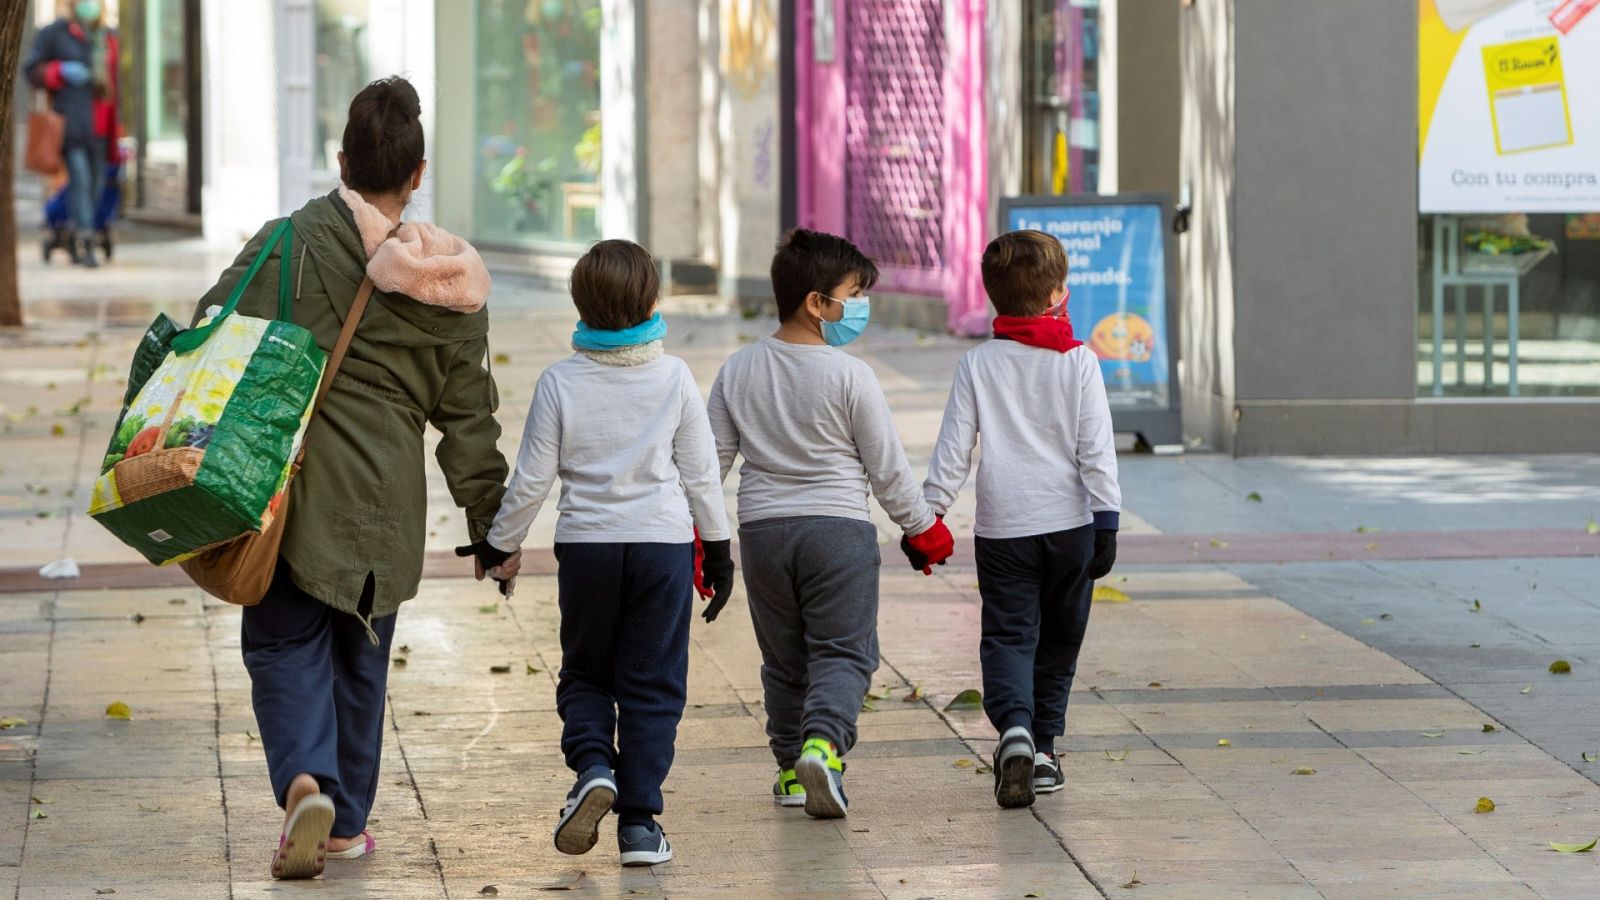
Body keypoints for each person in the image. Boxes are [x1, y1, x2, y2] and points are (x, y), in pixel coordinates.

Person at [191, 77, 512, 879]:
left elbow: (211, 331)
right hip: (386, 507)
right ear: (417, 173)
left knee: (283, 644)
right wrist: (490, 526)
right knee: (361, 658)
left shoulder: (291, 241)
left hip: (291, 497)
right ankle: (345, 825)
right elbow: (468, 416)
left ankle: (305, 780)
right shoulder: (452, 284)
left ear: (342, 161)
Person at [462, 240, 734, 867]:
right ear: (651, 301)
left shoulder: (560, 380)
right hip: (662, 548)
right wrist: (717, 554)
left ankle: (592, 767)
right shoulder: (674, 378)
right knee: (653, 683)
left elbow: (532, 480)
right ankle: (639, 824)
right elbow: (700, 476)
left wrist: (501, 546)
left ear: (579, 303)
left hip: (587, 549)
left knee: (587, 672)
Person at [705, 229, 955, 819]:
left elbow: (707, 465)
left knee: (784, 659)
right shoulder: (851, 376)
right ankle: (824, 746)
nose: (860, 306)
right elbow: (888, 469)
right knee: (844, 653)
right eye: (854, 293)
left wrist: (697, 534)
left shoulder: (738, 369)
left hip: (763, 534)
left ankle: (792, 770)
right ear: (817, 302)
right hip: (838, 531)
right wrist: (922, 532)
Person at [916, 229, 1120, 810]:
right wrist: (1106, 519)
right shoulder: (1079, 361)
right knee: (1059, 640)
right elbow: (1095, 449)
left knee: (1008, 635)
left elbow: (952, 452)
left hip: (1004, 530)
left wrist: (928, 518)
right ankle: (1047, 750)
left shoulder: (978, 363)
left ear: (992, 297)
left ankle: (1015, 733)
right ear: (1058, 293)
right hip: (1071, 528)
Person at [25, 0, 121, 268]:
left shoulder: (108, 36)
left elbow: (115, 85)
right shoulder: (56, 33)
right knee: (79, 181)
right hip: (70, 124)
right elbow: (31, 69)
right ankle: (86, 243)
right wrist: (59, 71)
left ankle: (75, 233)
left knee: (97, 185)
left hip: (102, 126)